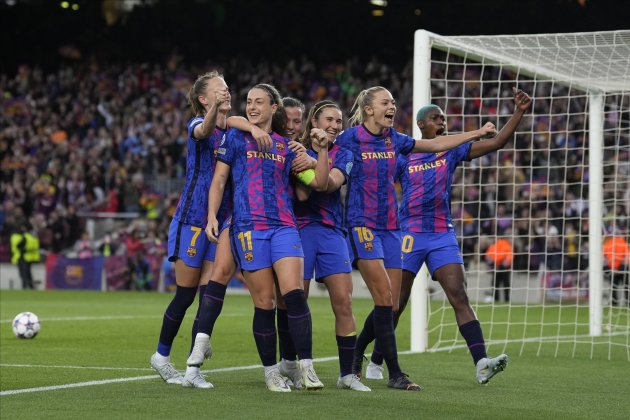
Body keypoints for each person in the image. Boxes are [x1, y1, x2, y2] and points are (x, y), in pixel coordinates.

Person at [363, 87, 531, 385]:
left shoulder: (451, 151)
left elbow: (497, 142)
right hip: (409, 235)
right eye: (436, 117)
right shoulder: (405, 154)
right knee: (395, 304)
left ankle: (481, 362)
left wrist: (518, 113)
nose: (442, 121)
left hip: (441, 234)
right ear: (422, 125)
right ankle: (376, 359)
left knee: (459, 296)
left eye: (443, 117)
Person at [336, 86, 497, 391]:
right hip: (363, 225)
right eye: (386, 102)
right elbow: (326, 153)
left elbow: (437, 146)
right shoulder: (349, 138)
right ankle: (391, 371)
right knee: (386, 299)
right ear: (369, 109)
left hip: (392, 228)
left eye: (394, 102)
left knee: (393, 302)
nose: (392, 106)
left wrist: (475, 132)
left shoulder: (395, 140)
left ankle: (364, 360)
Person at [189, 83, 330, 392]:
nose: (252, 107)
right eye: (249, 101)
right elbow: (219, 179)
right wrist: (212, 216)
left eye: (259, 102)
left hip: (283, 226)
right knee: (264, 303)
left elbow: (319, 182)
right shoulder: (236, 138)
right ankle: (270, 372)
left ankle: (306, 366)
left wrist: (320, 151)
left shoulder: (286, 146)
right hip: (248, 229)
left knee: (294, 294)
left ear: (273, 108)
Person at [149, 71, 231, 388]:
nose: (227, 90)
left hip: (219, 223)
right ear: (203, 99)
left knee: (209, 296)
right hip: (191, 222)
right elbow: (205, 128)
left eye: (227, 87)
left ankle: (193, 367)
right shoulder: (197, 126)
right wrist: (216, 112)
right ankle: (161, 356)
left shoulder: (234, 133)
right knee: (185, 296)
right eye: (219, 89)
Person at [290, 100, 371, 391]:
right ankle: (299, 367)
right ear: (314, 121)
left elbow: (331, 183)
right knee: (297, 302)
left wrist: (315, 159)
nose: (335, 125)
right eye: (329, 119)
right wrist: (314, 158)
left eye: (339, 121)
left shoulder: (346, 153)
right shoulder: (295, 148)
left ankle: (347, 374)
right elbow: (301, 194)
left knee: (344, 301)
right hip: (300, 229)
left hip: (333, 232)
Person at [10, 222, 40, 290]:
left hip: (22, 257)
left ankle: (25, 286)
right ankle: (31, 286)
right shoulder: (33, 237)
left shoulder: (24, 237)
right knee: (28, 273)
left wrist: (23, 250)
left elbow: (18, 246)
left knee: (23, 273)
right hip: (31, 257)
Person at [485, 236, 514, 303]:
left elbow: (488, 256)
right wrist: (502, 265)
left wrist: (493, 264)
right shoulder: (507, 246)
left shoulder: (495, 246)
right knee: (505, 284)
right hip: (503, 267)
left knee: (495, 284)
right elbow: (509, 257)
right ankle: (506, 299)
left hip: (498, 267)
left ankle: (497, 299)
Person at [603, 235, 629, 306]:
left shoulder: (607, 244)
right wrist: (620, 268)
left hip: (613, 269)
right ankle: (627, 302)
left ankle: (614, 303)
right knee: (626, 286)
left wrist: (612, 269)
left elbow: (603, 258)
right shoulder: (623, 243)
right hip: (622, 268)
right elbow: (627, 257)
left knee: (613, 287)